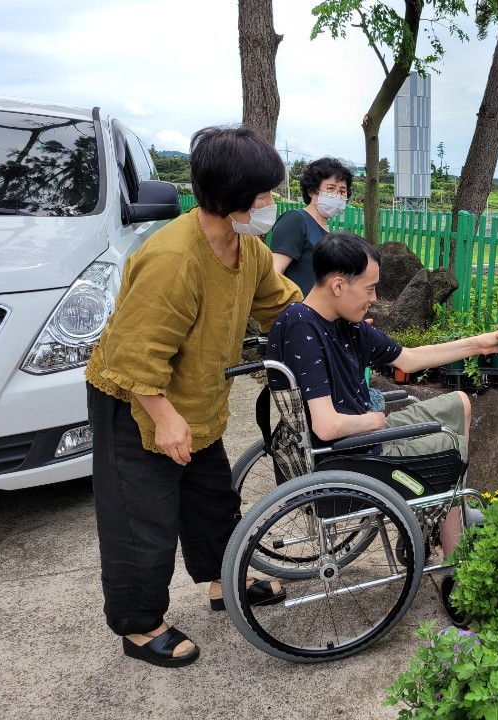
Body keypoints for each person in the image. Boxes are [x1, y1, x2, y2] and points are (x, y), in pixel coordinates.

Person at [85, 125, 304, 668]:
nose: (272, 205)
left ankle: (221, 581)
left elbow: (283, 307)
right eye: (264, 196)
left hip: (197, 392)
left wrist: (334, 325)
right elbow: (135, 355)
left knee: (210, 499)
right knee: (143, 516)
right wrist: (163, 417)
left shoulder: (246, 248)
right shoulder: (174, 259)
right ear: (232, 200)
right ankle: (139, 626)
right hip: (137, 401)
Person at [266, 231, 498, 554]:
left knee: (458, 404)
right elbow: (327, 426)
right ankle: (455, 560)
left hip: (362, 440)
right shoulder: (302, 327)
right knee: (450, 445)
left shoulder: (344, 323)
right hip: (349, 456)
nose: (374, 298)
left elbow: (409, 358)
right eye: (370, 288)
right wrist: (373, 422)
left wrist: (480, 343)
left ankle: (441, 515)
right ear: (338, 285)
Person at [270, 156, 353, 294]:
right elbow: (275, 273)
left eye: (342, 191)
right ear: (312, 191)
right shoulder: (296, 220)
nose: (337, 195)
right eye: (331, 188)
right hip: (296, 310)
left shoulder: (328, 232)